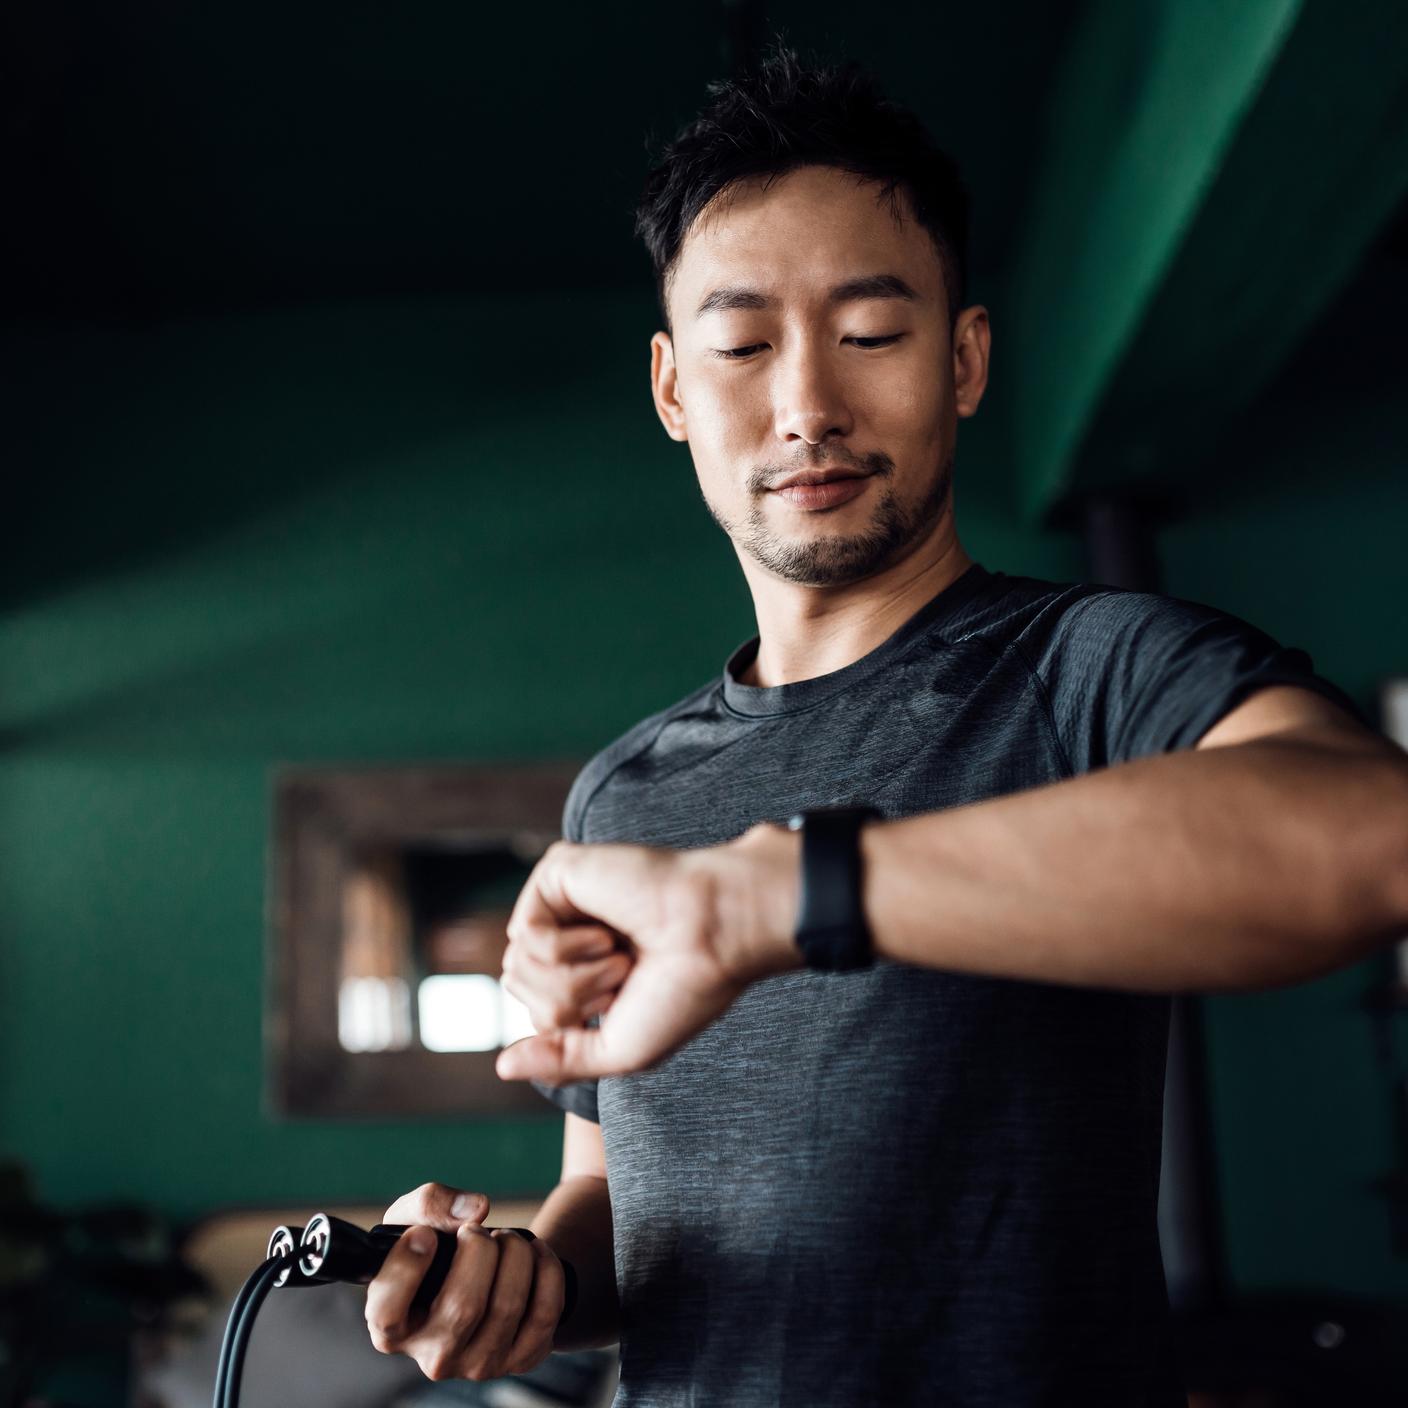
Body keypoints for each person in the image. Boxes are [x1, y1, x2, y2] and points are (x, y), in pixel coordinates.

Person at [362, 43, 1408, 1406]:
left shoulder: (1092, 667)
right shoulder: (622, 795)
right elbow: (620, 1203)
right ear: (676, 391)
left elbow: (1373, 839)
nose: (807, 406)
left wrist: (781, 894)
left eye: (871, 335)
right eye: (744, 347)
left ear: (964, 359)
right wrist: (528, 1283)